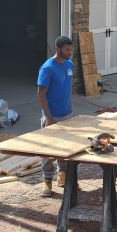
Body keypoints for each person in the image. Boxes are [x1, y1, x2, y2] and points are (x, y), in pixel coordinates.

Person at [37, 36, 74, 197]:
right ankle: (47, 182)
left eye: (71, 50)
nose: (70, 53)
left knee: (65, 148)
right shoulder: (47, 68)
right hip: (52, 117)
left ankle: (63, 175)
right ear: (58, 49)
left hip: (68, 114)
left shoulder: (69, 64)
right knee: (47, 150)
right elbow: (40, 94)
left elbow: (66, 88)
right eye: (67, 50)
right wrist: (49, 118)